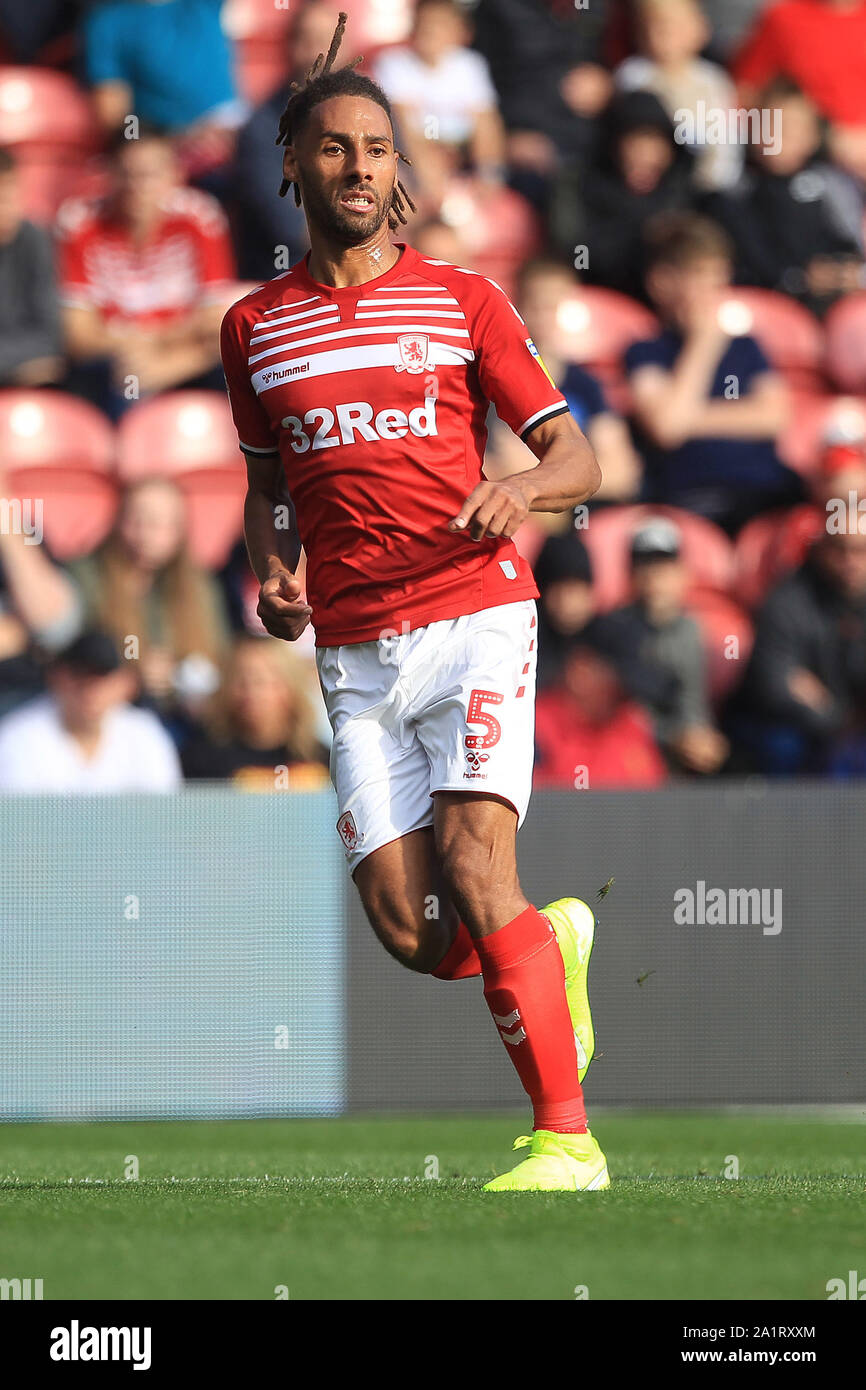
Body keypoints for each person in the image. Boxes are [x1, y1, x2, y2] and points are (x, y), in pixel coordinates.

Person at [219, 13, 608, 1192]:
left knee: (477, 866)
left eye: (377, 150)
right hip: (350, 645)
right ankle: (550, 947)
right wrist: (272, 570)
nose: (357, 168)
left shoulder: (463, 301)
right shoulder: (253, 327)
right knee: (408, 926)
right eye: (333, 148)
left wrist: (523, 488)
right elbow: (264, 487)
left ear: (399, 168)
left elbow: (578, 459)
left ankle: (565, 1140)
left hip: (475, 612)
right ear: (292, 165)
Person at [625, 211, 802, 533]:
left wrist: (686, 416)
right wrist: (703, 344)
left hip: (768, 496)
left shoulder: (747, 347)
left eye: (718, 278)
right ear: (661, 282)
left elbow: (774, 416)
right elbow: (664, 428)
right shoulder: (646, 352)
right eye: (700, 276)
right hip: (691, 500)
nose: (713, 290)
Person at [56, 125, 235, 415]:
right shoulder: (78, 223)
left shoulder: (201, 216)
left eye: (150, 175)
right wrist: (150, 347)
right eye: (126, 174)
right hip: (115, 363)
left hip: (182, 360)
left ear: (175, 176)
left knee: (244, 370)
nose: (137, 186)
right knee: (114, 382)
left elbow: (214, 322)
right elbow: (78, 336)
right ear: (109, 176)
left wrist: (166, 367)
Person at [66, 477, 230, 715]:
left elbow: (217, 657)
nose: (144, 533)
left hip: (185, 716)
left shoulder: (200, 587)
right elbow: (75, 651)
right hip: (108, 712)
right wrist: (132, 673)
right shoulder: (86, 576)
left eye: (157, 524)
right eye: (135, 519)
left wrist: (177, 676)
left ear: (178, 531)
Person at [705, 78, 863, 315]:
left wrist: (844, 271)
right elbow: (749, 264)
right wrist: (799, 278)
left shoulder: (831, 187)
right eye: (773, 125)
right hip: (765, 308)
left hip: (833, 304)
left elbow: (848, 243)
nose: (782, 135)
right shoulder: (734, 194)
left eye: (794, 126)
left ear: (813, 136)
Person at [604, 517, 729, 775]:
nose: (654, 577)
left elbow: (692, 700)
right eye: (645, 566)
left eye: (663, 565)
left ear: (681, 572)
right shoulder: (612, 629)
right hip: (625, 753)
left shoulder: (690, 630)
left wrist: (698, 735)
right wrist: (675, 736)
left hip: (676, 747)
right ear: (631, 574)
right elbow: (619, 713)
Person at [735, 528, 866, 773]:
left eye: (861, 550)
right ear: (821, 550)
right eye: (840, 549)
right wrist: (842, 720)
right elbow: (778, 684)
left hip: (852, 728)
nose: (851, 561)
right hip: (793, 728)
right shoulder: (786, 601)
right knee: (782, 745)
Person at [549, 90, 697, 301]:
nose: (644, 155)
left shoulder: (682, 193)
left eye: (655, 143)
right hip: (592, 299)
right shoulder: (576, 185)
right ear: (613, 145)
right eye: (635, 143)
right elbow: (575, 254)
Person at [0, 630, 182, 791]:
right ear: (57, 677)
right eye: (80, 677)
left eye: (103, 678)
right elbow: (16, 823)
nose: (91, 691)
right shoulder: (17, 736)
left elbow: (164, 819)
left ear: (126, 684)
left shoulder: (145, 734)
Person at [373, 0, 506, 211]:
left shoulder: (470, 65)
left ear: (458, 31)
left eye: (439, 25)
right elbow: (404, 125)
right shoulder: (394, 65)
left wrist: (488, 172)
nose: (431, 31)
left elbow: (485, 121)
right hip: (412, 160)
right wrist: (430, 173)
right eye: (425, 24)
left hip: (462, 156)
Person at [615, 0, 743, 192]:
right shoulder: (633, 76)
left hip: (700, 187)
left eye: (670, 28)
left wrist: (716, 182)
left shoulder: (713, 82)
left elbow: (726, 142)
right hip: (646, 186)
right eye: (651, 26)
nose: (659, 36)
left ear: (698, 30)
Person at [181, 635, 329, 786]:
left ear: (290, 687)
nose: (250, 692)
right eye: (240, 681)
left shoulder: (323, 761)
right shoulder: (202, 761)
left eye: (260, 681)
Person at [534, 627, 668, 790]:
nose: (623, 693)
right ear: (580, 670)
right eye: (617, 680)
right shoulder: (536, 725)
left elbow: (653, 798)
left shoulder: (631, 723)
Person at [0, 146, 64, 387]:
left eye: (10, 196)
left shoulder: (34, 239)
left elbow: (49, 338)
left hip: (24, 383)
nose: (6, 208)